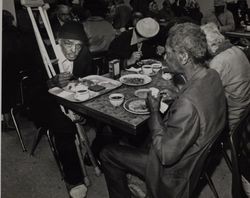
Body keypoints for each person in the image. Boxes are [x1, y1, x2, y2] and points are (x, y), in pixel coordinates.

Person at [100, 22, 227, 198]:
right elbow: (199, 103)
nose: (165, 57)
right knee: (140, 137)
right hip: (198, 156)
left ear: (183, 56)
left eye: (168, 53)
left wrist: (153, 111)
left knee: (107, 153)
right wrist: (178, 94)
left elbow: (166, 156)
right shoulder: (212, 75)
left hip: (175, 173)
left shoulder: (188, 104)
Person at [29, 21, 93, 198]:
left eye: (78, 46)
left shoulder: (85, 55)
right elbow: (30, 91)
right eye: (68, 44)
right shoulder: (44, 54)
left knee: (104, 114)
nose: (74, 51)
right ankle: (74, 179)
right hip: (45, 103)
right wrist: (51, 83)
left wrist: (78, 85)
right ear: (59, 40)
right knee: (64, 127)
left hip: (75, 99)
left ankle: (96, 155)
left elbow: (90, 79)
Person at [201, 22, 250, 132]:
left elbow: (208, 95)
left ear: (211, 45)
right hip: (246, 108)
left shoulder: (218, 62)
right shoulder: (236, 50)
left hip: (234, 116)